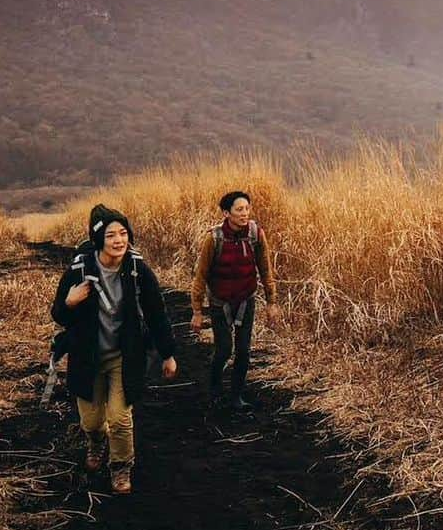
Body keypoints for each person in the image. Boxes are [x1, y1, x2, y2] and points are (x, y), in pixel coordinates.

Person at [51, 205, 177, 494]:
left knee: (120, 418)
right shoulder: (78, 272)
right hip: (87, 358)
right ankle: (96, 443)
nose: (119, 240)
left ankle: (121, 468)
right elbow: (59, 316)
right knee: (92, 422)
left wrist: (168, 353)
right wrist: (70, 302)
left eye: (123, 233)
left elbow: (157, 313)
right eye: (111, 235)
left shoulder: (137, 269)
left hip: (125, 356)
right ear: (98, 240)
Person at [190, 190, 281, 409]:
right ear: (226, 213)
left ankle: (236, 396)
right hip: (220, 303)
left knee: (243, 350)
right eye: (239, 209)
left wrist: (271, 302)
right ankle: (214, 390)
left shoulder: (255, 234)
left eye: (247, 209)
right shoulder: (214, 239)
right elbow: (200, 276)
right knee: (224, 349)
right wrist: (197, 311)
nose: (244, 213)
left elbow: (265, 269)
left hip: (246, 300)